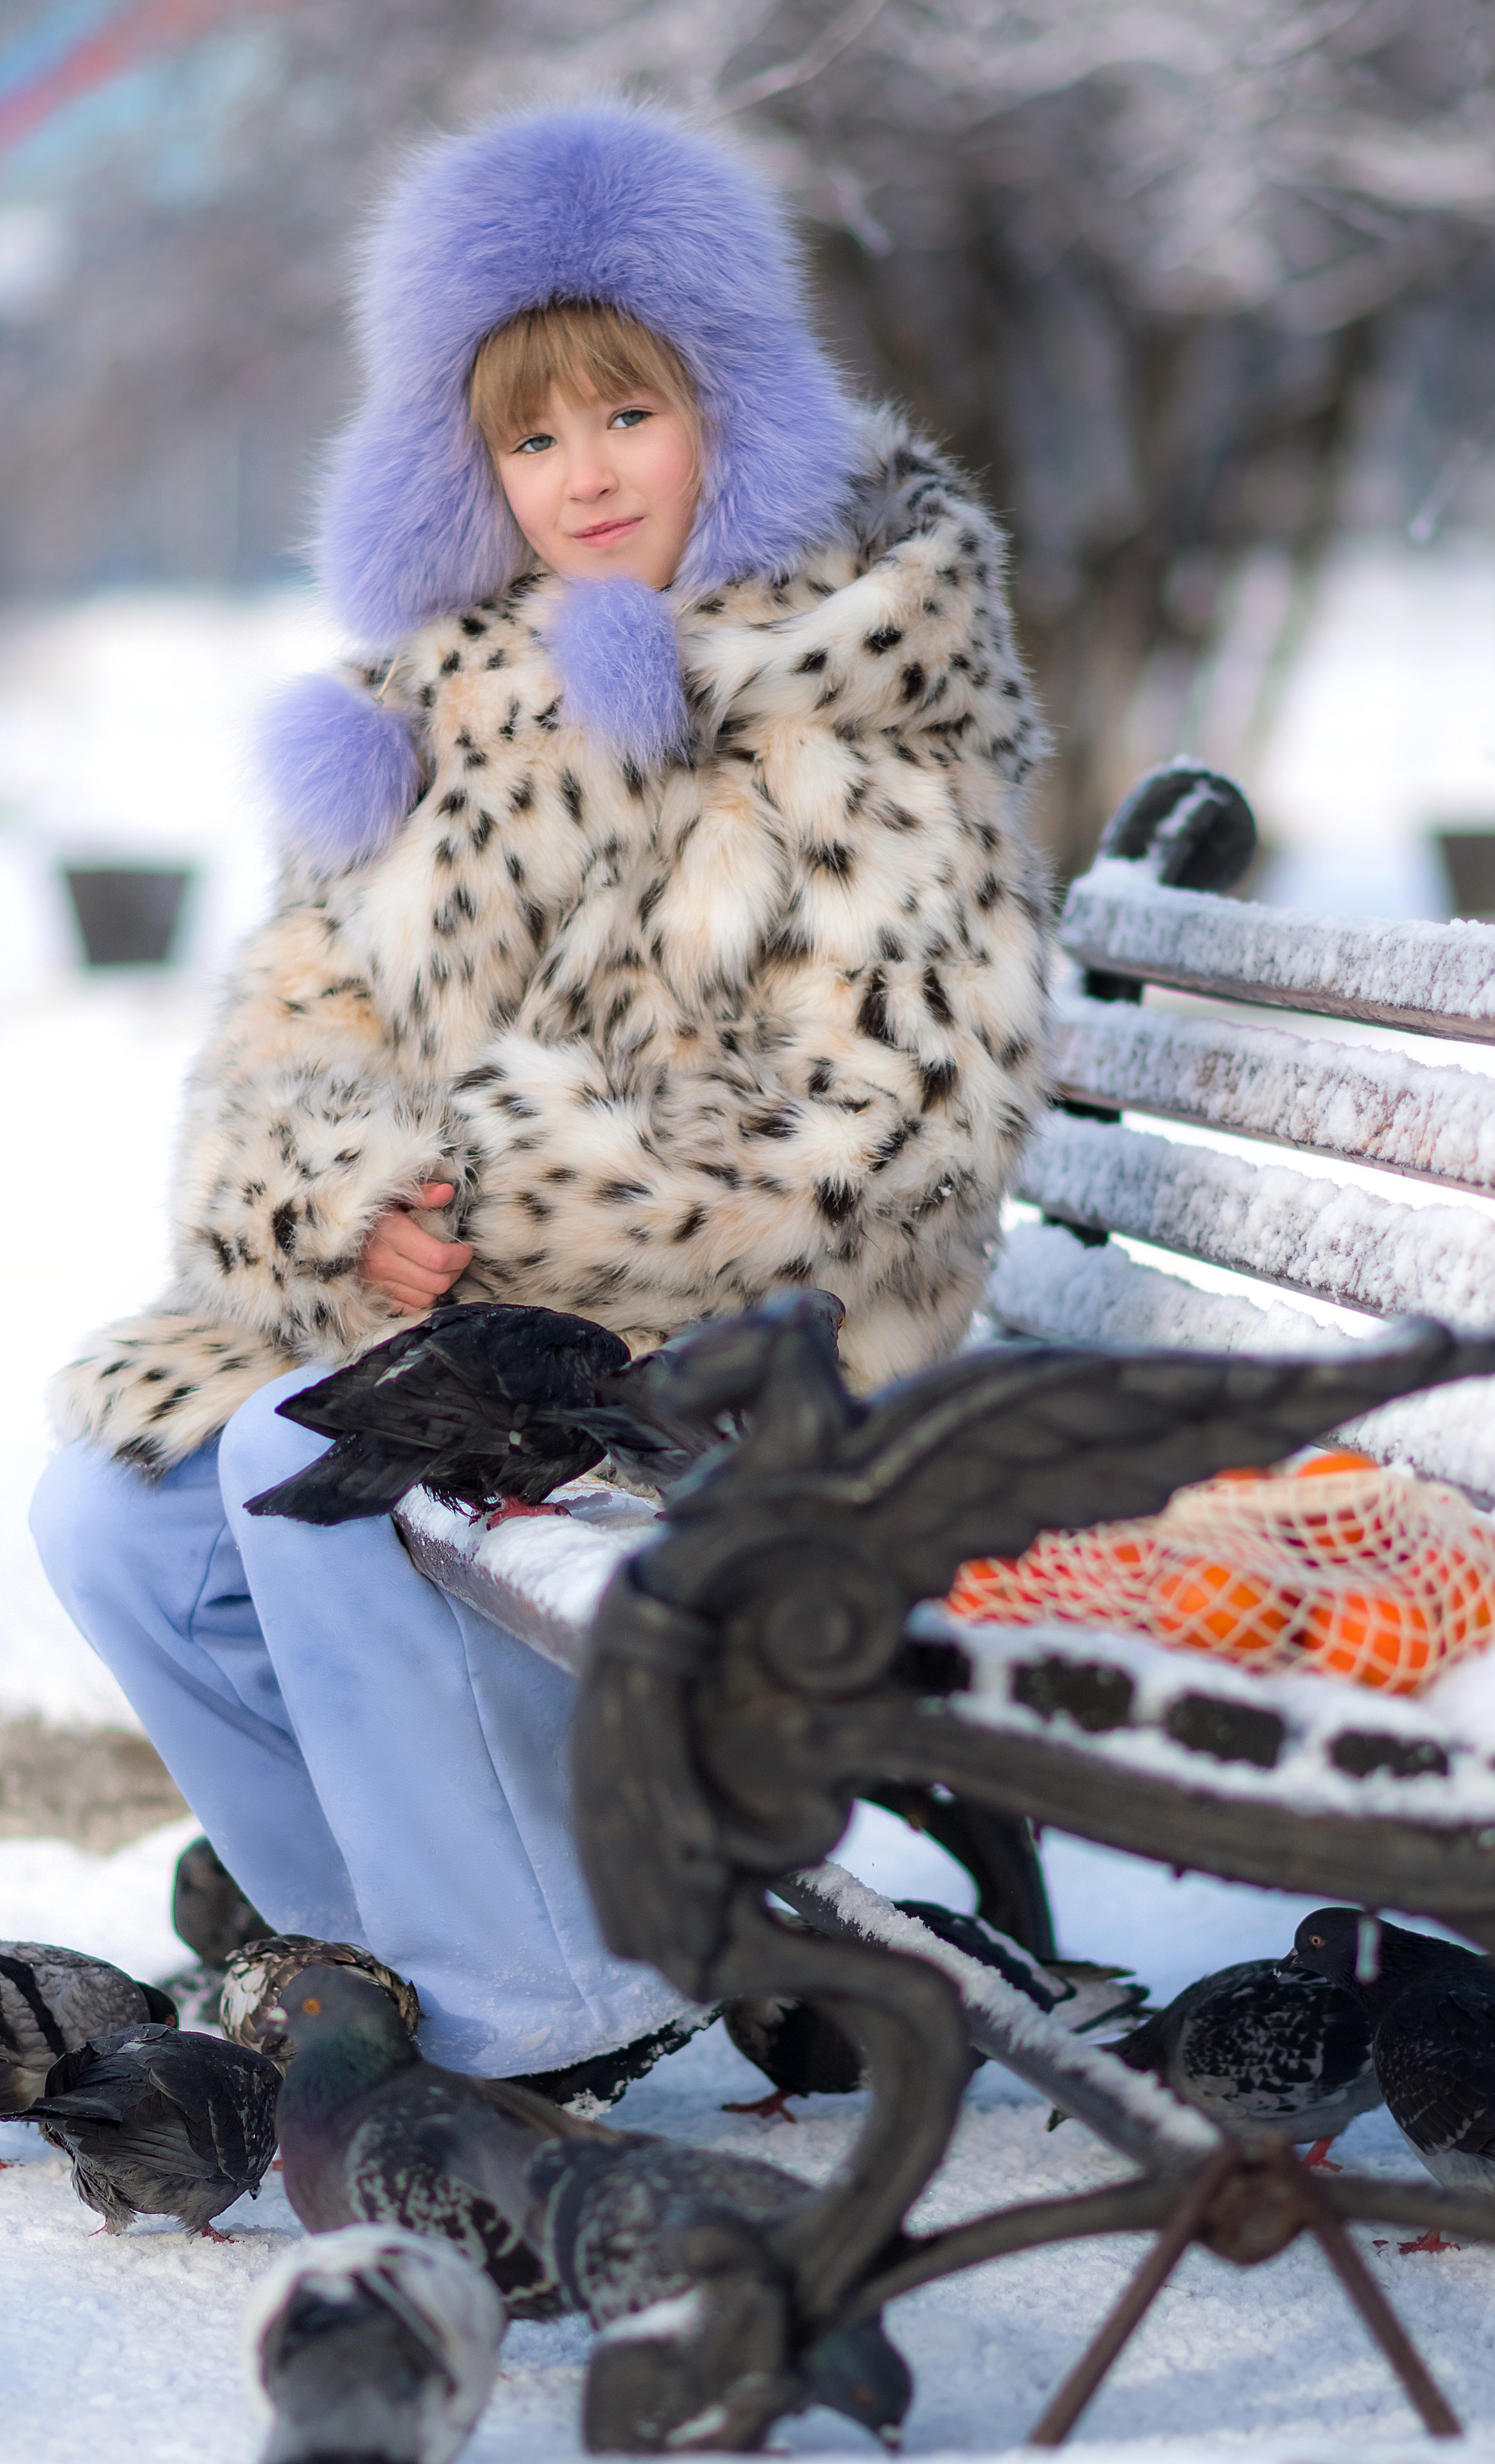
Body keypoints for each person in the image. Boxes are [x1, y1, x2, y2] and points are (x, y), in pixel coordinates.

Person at [31, 103, 1052, 2082]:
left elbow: (890, 1125)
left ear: (730, 411)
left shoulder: (858, 685)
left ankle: (551, 2001)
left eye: (627, 416)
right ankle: (369, 1960)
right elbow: (288, 1035)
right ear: (468, 462)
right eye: (530, 433)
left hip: (764, 1361)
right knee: (117, 1511)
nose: (582, 477)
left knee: (299, 1469)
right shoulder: (448, 700)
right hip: (475, 1329)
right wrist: (344, 1195)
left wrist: (491, 1204)